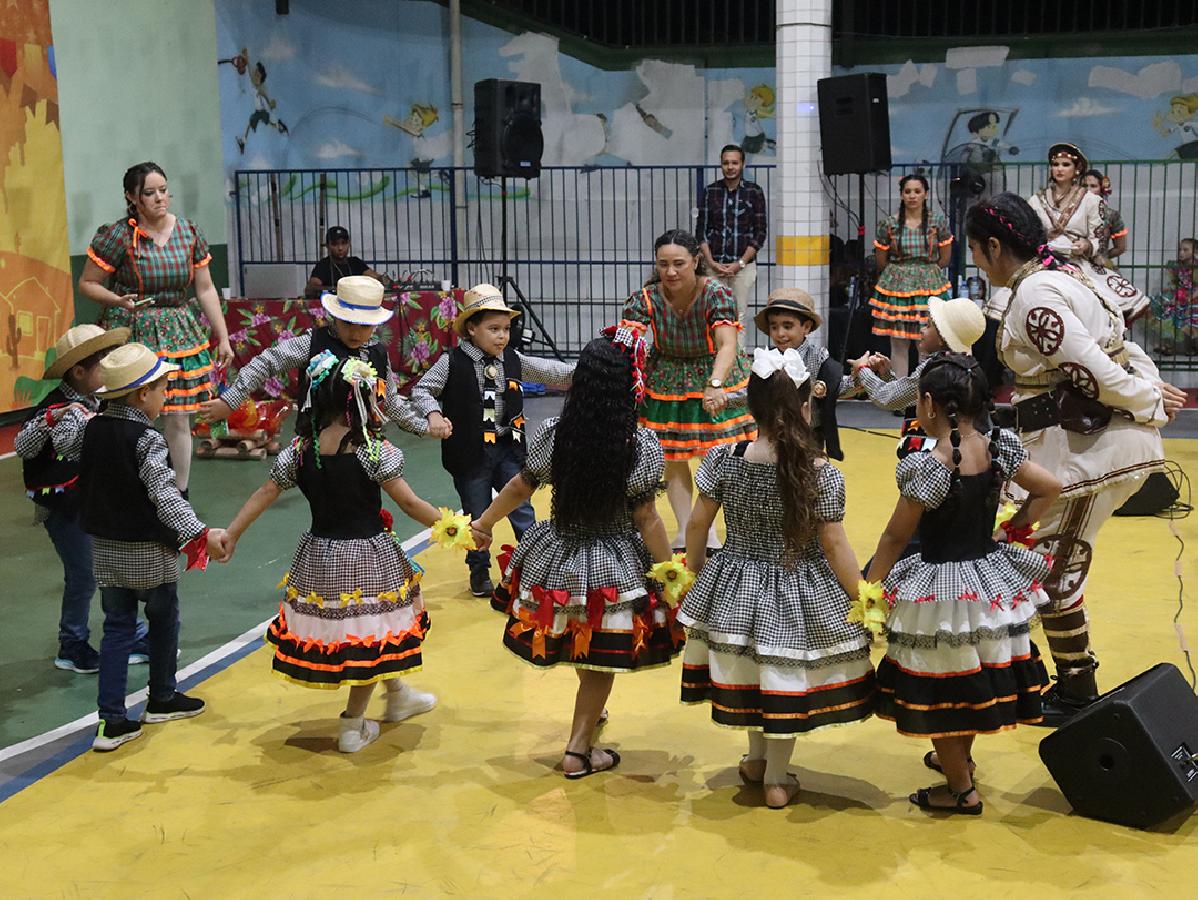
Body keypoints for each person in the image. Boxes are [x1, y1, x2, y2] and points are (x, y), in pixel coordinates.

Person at [965, 192, 1185, 724]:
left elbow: (1094, 369)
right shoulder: (1070, 276)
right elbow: (1124, 346)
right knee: (1039, 559)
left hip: (1088, 455)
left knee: (1053, 567)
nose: (975, 261)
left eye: (974, 249)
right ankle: (1052, 680)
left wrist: (1148, 400)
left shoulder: (1035, 293)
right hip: (1074, 450)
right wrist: (1148, 386)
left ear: (994, 246)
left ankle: (1077, 690)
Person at [469, 328, 679, 779]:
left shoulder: (555, 434)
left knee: (582, 638)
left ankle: (591, 713)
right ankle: (578, 751)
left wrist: (484, 523)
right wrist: (669, 572)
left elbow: (520, 486)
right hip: (613, 562)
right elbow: (647, 517)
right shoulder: (637, 443)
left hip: (558, 555)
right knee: (603, 651)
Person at [678, 348, 875, 809]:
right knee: (785, 674)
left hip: (736, 581)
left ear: (751, 407)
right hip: (797, 586)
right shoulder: (820, 472)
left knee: (752, 670)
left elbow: (697, 524)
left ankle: (755, 759)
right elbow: (834, 545)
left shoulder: (724, 459)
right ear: (806, 407)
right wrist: (862, 598)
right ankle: (776, 776)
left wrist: (693, 573)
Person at [866, 354, 1061, 815]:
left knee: (939, 688)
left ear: (929, 404)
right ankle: (960, 760)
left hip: (939, 592)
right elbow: (1050, 487)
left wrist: (869, 590)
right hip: (988, 583)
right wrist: (1013, 529)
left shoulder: (929, 465)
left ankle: (960, 789)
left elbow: (895, 537)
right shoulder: (998, 445)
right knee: (970, 675)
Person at [220, 353, 440, 753]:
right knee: (369, 638)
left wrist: (232, 534)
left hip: (320, 556)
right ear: (363, 400)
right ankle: (352, 725)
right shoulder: (374, 451)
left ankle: (398, 694)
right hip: (367, 558)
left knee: (371, 629)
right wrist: (455, 526)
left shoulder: (301, 451)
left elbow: (265, 492)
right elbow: (410, 503)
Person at [63, 343, 226, 752]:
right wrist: (200, 534)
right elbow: (165, 497)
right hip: (150, 552)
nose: (165, 397)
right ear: (141, 394)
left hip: (106, 550)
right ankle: (162, 697)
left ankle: (111, 720)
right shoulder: (148, 440)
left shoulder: (91, 428)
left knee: (116, 630)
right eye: (162, 389)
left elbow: (61, 444)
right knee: (164, 620)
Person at [78, 162, 234, 498]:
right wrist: (118, 301)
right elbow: (88, 282)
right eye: (150, 193)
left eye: (163, 190)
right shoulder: (119, 236)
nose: (160, 198)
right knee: (130, 415)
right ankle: (129, 493)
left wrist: (222, 335)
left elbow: (205, 288)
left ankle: (178, 493)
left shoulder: (189, 232)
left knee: (177, 417)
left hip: (179, 332)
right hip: (132, 331)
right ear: (132, 197)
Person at [410, 284, 575, 597]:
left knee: (522, 507)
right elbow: (422, 389)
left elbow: (551, 372)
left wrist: (588, 370)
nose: (502, 336)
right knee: (476, 513)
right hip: (470, 454)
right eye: (494, 329)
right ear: (472, 329)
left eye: (506, 329)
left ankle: (535, 566)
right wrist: (433, 414)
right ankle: (479, 570)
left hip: (509, 448)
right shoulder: (452, 362)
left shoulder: (512, 358)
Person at [16, 325, 151, 674]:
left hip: (94, 503)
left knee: (114, 569)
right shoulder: (56, 408)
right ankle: (72, 644)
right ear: (79, 372)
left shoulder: (98, 400)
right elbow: (24, 446)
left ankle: (132, 635)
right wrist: (51, 420)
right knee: (84, 575)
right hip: (65, 508)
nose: (110, 369)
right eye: (104, 364)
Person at [620, 229, 756, 550]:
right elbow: (627, 344)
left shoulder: (716, 294)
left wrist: (715, 385)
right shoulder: (645, 298)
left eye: (678, 263)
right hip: (666, 378)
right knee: (672, 455)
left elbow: (727, 344)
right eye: (663, 264)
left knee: (717, 454)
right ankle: (686, 530)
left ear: (695, 261)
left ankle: (708, 527)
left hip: (714, 371)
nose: (670, 272)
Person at [199, 275, 428, 437]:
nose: (356, 333)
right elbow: (266, 362)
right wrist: (231, 400)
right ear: (335, 317)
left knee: (393, 482)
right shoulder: (312, 344)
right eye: (348, 323)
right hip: (315, 448)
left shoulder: (377, 355)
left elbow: (389, 401)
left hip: (365, 445)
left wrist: (425, 427)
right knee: (273, 483)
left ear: (375, 325)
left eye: (364, 326)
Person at [1028, 143, 1149, 326]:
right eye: (1055, 164)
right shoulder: (1036, 200)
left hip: (1076, 261)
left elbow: (1098, 239)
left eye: (1065, 164)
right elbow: (1030, 232)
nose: (1059, 169)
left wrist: (1086, 245)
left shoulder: (1091, 201)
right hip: (1044, 261)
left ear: (1077, 169)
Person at [850, 297, 988, 457]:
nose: (922, 330)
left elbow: (886, 397)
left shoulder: (932, 369)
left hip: (933, 453)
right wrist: (886, 375)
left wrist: (863, 369)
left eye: (928, 326)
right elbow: (909, 399)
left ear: (942, 338)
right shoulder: (969, 367)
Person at [727, 289, 853, 459]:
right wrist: (726, 401)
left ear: (806, 327)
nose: (780, 334)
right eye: (774, 327)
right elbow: (752, 396)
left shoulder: (819, 359)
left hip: (810, 438)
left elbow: (840, 388)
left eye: (788, 326)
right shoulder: (766, 360)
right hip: (770, 439)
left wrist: (860, 376)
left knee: (808, 473)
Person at [869, 174, 953, 379]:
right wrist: (901, 273)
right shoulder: (889, 224)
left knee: (926, 342)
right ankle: (900, 391)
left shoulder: (937, 222)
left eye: (917, 191)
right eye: (907, 191)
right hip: (897, 288)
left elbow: (945, 259)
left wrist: (925, 272)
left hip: (929, 286)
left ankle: (925, 388)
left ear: (926, 194)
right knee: (898, 343)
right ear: (901, 195)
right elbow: (881, 260)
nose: (912, 196)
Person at [695, 144, 767, 318]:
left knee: (738, 315)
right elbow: (701, 231)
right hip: (713, 267)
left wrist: (740, 264)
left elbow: (760, 233)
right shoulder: (710, 191)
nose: (730, 167)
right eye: (726, 163)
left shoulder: (754, 192)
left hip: (743, 268)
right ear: (721, 165)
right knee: (712, 315)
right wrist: (711, 262)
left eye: (734, 163)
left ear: (743, 164)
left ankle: (737, 342)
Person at [305, 226, 389, 298]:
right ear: (327, 246)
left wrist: (383, 279)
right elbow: (311, 288)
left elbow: (376, 278)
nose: (340, 248)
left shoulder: (355, 262)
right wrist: (336, 290)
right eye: (335, 244)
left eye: (344, 243)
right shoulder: (323, 265)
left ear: (349, 244)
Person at [1155, 237, 1198, 355]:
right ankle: (1169, 345)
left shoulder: (1196, 266)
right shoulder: (1176, 266)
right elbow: (1174, 283)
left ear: (1195, 251)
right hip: (1180, 295)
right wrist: (1174, 296)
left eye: (1185, 250)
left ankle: (1194, 346)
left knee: (1192, 313)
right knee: (1168, 310)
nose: (1181, 252)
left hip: (1194, 296)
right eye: (1180, 249)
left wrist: (1190, 298)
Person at [1083, 169, 1128, 265]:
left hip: (1098, 265)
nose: (1088, 190)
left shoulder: (1111, 215)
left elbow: (1120, 247)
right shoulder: (1068, 213)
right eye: (1084, 186)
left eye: (1093, 186)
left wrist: (1103, 256)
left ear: (1101, 190)